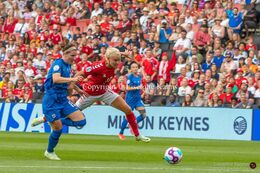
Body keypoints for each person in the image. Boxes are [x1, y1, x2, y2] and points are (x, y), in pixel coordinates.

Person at [74, 47, 150, 142]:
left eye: (119, 60)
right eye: (115, 60)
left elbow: (115, 54)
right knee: (71, 113)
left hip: (105, 91)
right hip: (90, 93)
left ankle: (137, 135)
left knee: (128, 110)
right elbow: (76, 76)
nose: (118, 62)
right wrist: (77, 89)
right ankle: (55, 122)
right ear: (107, 59)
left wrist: (124, 54)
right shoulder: (96, 67)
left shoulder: (112, 58)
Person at [31, 44, 86, 160]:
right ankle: (49, 151)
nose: (74, 57)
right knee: (58, 129)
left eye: (75, 55)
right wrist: (73, 79)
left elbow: (67, 82)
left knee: (81, 121)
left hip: (63, 99)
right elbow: (56, 79)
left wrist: (78, 89)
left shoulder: (68, 65)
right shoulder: (58, 63)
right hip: (52, 99)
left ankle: (47, 118)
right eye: (72, 55)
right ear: (65, 54)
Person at [118, 62, 147, 140]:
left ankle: (132, 124)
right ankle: (121, 133)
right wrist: (138, 87)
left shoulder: (139, 76)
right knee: (127, 117)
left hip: (137, 99)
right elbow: (128, 88)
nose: (135, 68)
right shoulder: (129, 77)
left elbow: (144, 77)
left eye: (136, 67)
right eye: (133, 67)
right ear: (130, 69)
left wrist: (142, 89)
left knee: (143, 115)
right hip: (130, 100)